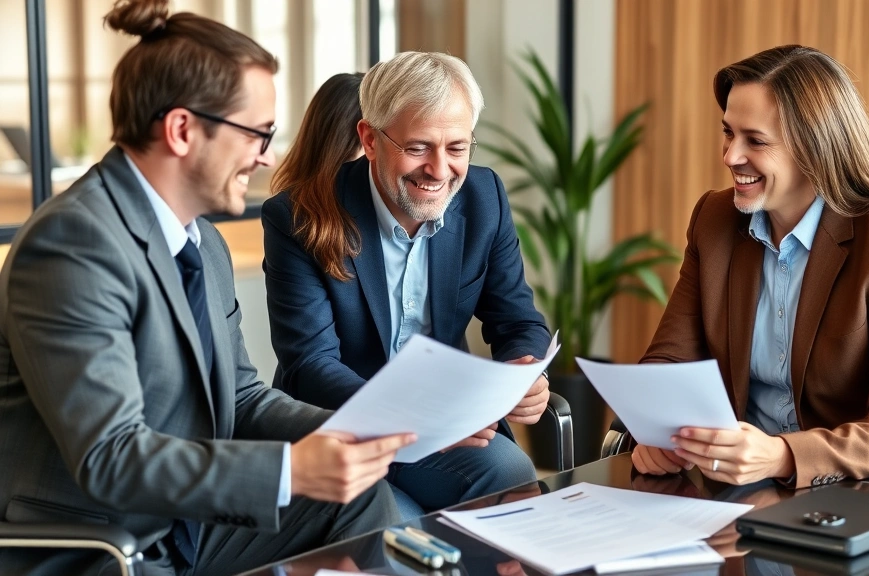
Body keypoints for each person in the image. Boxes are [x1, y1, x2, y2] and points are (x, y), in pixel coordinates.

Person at [0, 1, 415, 575]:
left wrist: (359, 429)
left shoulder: (204, 244)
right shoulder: (73, 245)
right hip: (101, 542)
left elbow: (241, 398)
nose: (267, 155)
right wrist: (292, 471)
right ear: (181, 130)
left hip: (185, 523)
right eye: (257, 133)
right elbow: (111, 458)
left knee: (360, 496)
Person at [631, 45, 869, 491]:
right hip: (748, 488)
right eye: (728, 133)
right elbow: (669, 362)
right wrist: (658, 433)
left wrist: (783, 455)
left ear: (815, 148)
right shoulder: (715, 221)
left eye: (756, 140)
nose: (730, 156)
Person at [263, 51, 550, 519]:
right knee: (396, 525)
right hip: (341, 429)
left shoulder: (484, 197)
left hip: (448, 430)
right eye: (418, 147)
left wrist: (525, 367)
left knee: (512, 476)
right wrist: (423, 419)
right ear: (370, 140)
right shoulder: (297, 216)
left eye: (457, 148)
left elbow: (516, 318)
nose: (439, 170)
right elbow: (309, 365)